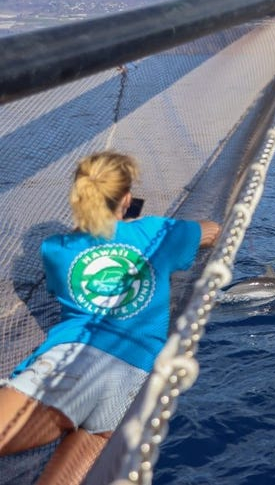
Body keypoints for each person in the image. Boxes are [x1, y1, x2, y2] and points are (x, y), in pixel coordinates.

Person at [0, 151, 220, 484]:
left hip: (70, 366)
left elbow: (73, 271)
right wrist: (145, 229)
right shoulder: (159, 233)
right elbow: (213, 231)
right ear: (127, 198)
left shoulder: (55, 248)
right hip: (131, 382)